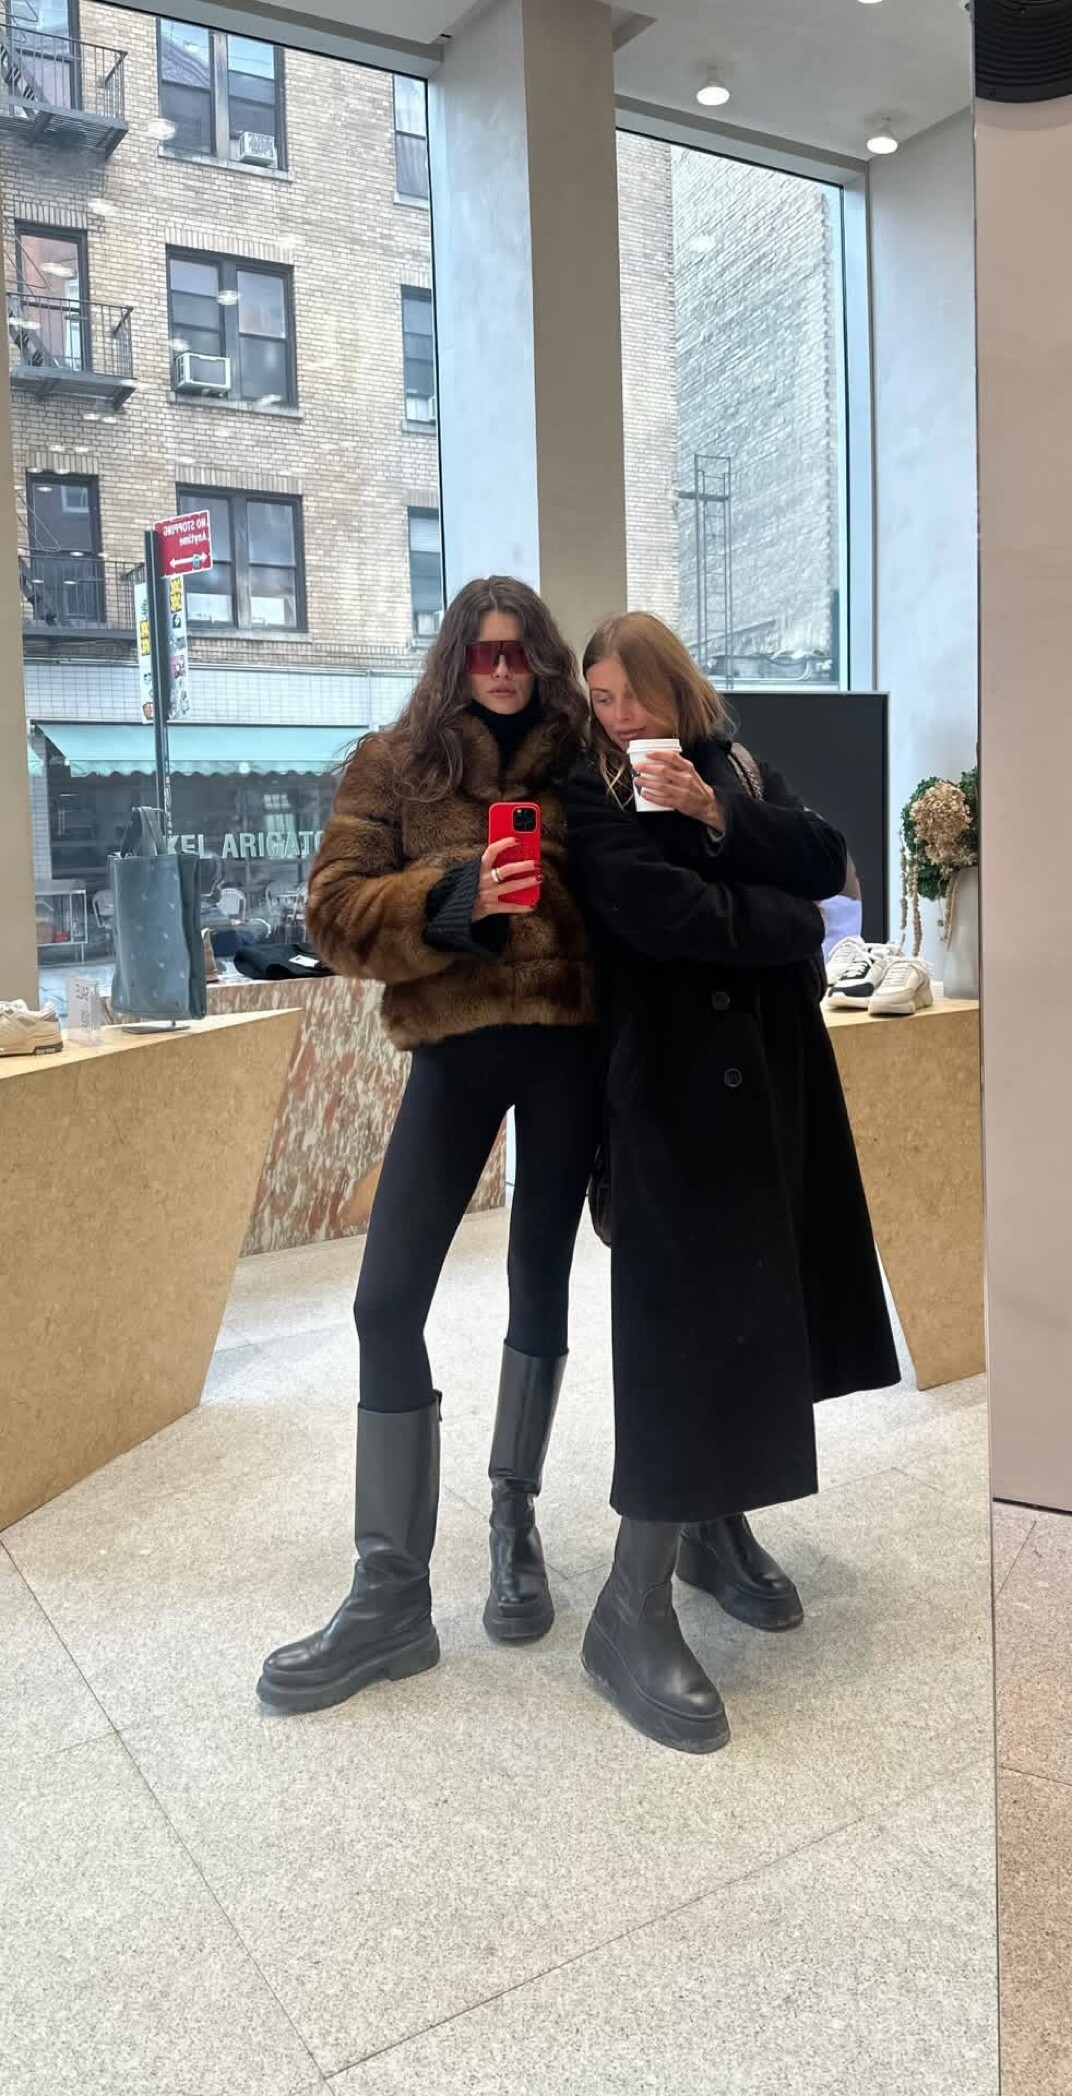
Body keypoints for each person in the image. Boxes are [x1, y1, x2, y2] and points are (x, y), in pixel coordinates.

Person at [258, 577, 598, 1714]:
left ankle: (513, 1517)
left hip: (567, 1051)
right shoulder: (395, 763)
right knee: (383, 1300)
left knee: (540, 1278)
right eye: (482, 653)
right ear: (454, 659)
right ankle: (391, 1593)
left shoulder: (582, 759)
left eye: (518, 652)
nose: (501, 671)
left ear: (541, 657)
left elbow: (636, 900)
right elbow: (331, 911)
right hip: (454, 1052)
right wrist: (453, 899)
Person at [566, 612, 899, 1754]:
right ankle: (627, 1605)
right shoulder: (591, 792)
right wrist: (789, 920)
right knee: (678, 1336)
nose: (621, 716)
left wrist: (718, 814)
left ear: (676, 687)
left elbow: (828, 859)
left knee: (751, 1314)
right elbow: (664, 917)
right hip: (665, 1102)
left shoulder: (735, 767)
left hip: (771, 1085)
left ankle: (714, 1529)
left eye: (633, 693)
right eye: (601, 698)